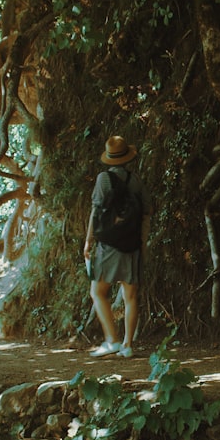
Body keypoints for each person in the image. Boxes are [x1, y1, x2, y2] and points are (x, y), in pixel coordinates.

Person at [83, 136, 151, 358]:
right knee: (131, 295)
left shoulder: (104, 179)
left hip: (108, 245)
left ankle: (111, 340)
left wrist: (88, 241)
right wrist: (143, 243)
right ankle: (128, 345)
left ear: (109, 158)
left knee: (98, 291)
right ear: (127, 158)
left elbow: (96, 212)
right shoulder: (136, 181)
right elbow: (146, 215)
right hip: (132, 245)